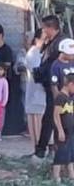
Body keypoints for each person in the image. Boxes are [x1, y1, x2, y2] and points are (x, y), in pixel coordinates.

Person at [33, 15, 66, 161]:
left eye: (44, 28)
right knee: (49, 118)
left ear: (50, 28)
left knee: (52, 118)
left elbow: (56, 64)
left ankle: (42, 151)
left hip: (59, 86)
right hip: (49, 84)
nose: (43, 31)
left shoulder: (63, 42)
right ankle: (44, 149)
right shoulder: (51, 42)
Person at [18, 29, 47, 152]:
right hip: (37, 94)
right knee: (38, 124)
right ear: (36, 40)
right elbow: (38, 74)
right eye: (44, 39)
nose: (47, 41)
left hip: (41, 95)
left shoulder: (43, 52)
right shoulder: (33, 53)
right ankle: (39, 150)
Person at [52, 74, 74, 183]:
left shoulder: (70, 98)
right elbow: (56, 115)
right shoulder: (60, 97)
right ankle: (56, 177)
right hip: (63, 131)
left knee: (70, 154)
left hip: (70, 132)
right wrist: (60, 130)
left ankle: (71, 176)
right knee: (60, 154)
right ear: (70, 84)